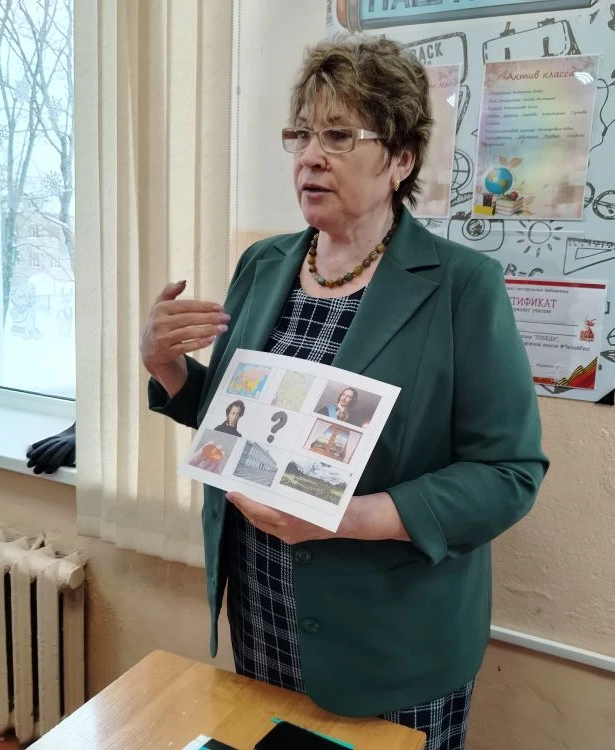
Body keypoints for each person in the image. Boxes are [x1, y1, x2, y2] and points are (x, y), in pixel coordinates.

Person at [140, 35, 548, 750]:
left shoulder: (462, 287)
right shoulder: (263, 264)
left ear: (401, 159)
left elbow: (508, 474)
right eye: (300, 134)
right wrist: (163, 364)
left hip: (391, 644)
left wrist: (350, 519)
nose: (309, 156)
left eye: (337, 136)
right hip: (263, 616)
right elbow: (241, 423)